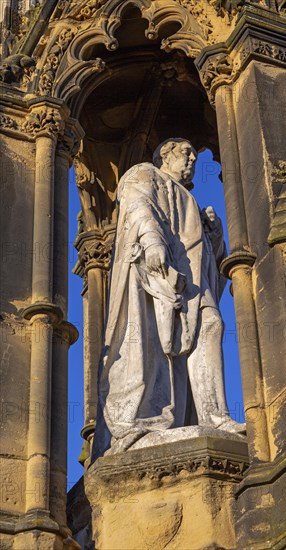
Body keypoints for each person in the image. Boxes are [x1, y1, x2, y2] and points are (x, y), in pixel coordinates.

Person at [93, 138, 245, 455]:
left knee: (212, 325)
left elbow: (207, 258)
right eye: (185, 152)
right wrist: (151, 240)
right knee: (149, 346)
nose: (192, 158)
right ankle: (145, 421)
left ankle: (215, 418)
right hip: (155, 279)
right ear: (166, 154)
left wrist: (214, 234)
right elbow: (137, 205)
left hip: (191, 285)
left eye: (194, 153)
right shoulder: (143, 173)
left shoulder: (188, 198)